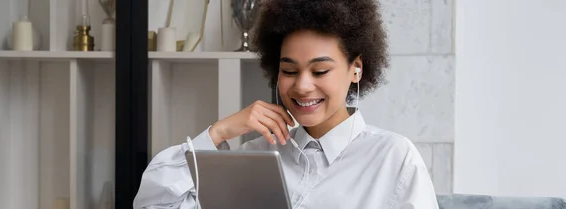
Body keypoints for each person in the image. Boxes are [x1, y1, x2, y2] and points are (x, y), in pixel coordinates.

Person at [133, 0, 439, 208]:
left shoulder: (393, 158)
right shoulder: (255, 157)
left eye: (320, 71)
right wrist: (220, 131)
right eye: (289, 71)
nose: (302, 86)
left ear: (355, 68)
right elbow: (154, 202)